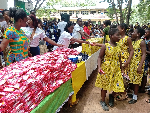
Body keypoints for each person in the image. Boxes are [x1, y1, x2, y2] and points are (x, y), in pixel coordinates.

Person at [95, 28, 124, 111]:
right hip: (107, 69)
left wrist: (122, 69)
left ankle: (112, 95)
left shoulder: (119, 46)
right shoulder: (105, 46)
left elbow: (119, 59)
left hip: (116, 69)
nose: (119, 37)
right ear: (111, 36)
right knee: (104, 86)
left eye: (119, 35)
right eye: (117, 35)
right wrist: (99, 67)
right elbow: (100, 57)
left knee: (118, 84)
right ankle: (103, 101)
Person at [128, 28, 146, 104]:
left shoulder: (141, 42)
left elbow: (144, 54)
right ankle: (132, 94)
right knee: (132, 79)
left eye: (134, 32)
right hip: (133, 64)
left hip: (138, 64)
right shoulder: (134, 42)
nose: (132, 33)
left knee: (136, 81)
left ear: (138, 34)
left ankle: (135, 97)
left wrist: (140, 66)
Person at [116, 23, 134, 100]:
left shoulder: (127, 38)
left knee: (124, 76)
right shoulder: (117, 37)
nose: (117, 29)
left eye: (118, 28)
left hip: (125, 59)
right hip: (118, 59)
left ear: (122, 29)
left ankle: (123, 94)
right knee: (118, 75)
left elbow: (132, 50)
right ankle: (119, 91)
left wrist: (128, 61)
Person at [140, 28, 150, 93]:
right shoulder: (144, 40)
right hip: (144, 59)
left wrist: (144, 51)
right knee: (142, 73)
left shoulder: (149, 42)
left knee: (145, 75)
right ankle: (141, 87)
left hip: (147, 60)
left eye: (146, 33)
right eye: (144, 33)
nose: (145, 34)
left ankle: (143, 88)